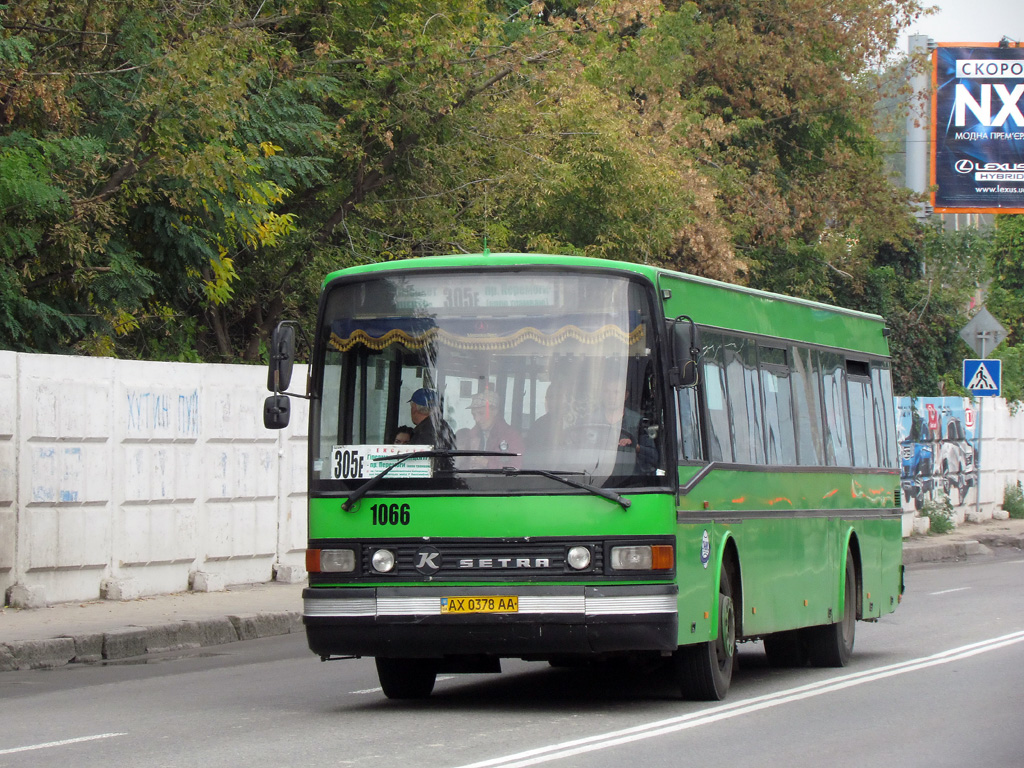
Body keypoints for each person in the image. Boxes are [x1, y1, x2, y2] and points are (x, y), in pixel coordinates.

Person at [465, 390, 523, 469]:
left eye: (481, 413)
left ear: (495, 411)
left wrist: (487, 463)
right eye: (474, 414)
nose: (476, 419)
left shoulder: (512, 437)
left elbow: (515, 469)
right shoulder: (473, 435)